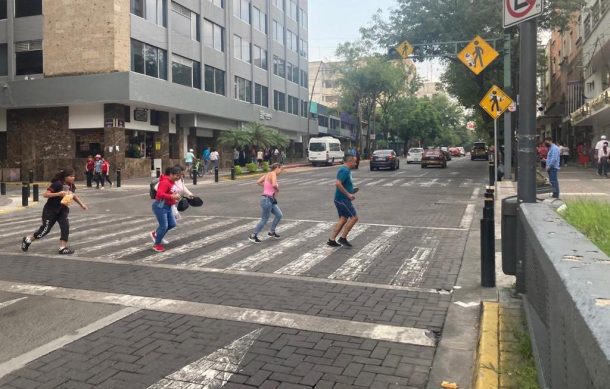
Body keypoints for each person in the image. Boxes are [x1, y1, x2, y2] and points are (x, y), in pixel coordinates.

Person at [21, 168, 88, 255]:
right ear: (65, 177)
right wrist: (58, 194)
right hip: (50, 210)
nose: (73, 178)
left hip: (63, 210)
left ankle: (62, 248)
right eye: (71, 176)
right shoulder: (57, 184)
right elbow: (45, 194)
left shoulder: (71, 185)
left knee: (65, 227)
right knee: (45, 231)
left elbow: (73, 195)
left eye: (74, 176)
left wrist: (81, 204)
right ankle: (28, 239)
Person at [328, 155, 359, 247]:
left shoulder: (345, 170)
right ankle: (343, 238)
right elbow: (337, 184)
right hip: (342, 199)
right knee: (354, 217)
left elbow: (342, 184)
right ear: (350, 161)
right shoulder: (344, 170)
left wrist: (352, 190)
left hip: (341, 199)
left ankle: (331, 240)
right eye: (355, 161)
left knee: (343, 219)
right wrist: (348, 194)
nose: (356, 163)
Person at [248, 163, 283, 243]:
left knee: (279, 215)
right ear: (277, 168)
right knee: (264, 219)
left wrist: (267, 186)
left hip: (270, 199)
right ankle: (253, 236)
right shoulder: (273, 174)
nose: (280, 171)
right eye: (280, 169)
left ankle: (271, 232)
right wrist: (277, 189)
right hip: (267, 199)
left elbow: (258, 182)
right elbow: (274, 184)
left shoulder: (267, 174)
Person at [150, 166, 182, 252]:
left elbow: (172, 192)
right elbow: (160, 194)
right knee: (164, 226)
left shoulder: (172, 182)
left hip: (168, 206)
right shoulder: (165, 182)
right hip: (160, 206)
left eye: (180, 176)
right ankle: (156, 244)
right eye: (177, 176)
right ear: (171, 174)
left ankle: (156, 234)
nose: (178, 178)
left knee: (172, 224)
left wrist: (176, 197)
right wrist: (172, 196)